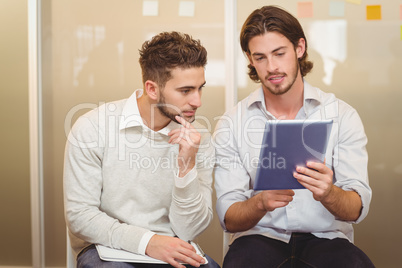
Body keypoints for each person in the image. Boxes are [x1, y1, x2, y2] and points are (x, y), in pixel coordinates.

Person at [213, 6, 374, 268]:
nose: (272, 67)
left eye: (279, 53)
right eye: (260, 57)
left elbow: (356, 209)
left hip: (326, 240)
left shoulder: (341, 115)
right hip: (259, 239)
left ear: (299, 48)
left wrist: (329, 193)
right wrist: (260, 203)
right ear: (249, 58)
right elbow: (229, 218)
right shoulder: (232, 123)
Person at [64, 31, 219, 268]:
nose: (198, 101)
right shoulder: (92, 128)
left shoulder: (199, 140)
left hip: (172, 246)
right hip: (106, 248)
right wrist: (149, 242)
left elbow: (190, 229)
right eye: (186, 91)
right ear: (152, 89)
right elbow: (80, 217)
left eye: (200, 88)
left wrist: (186, 167)